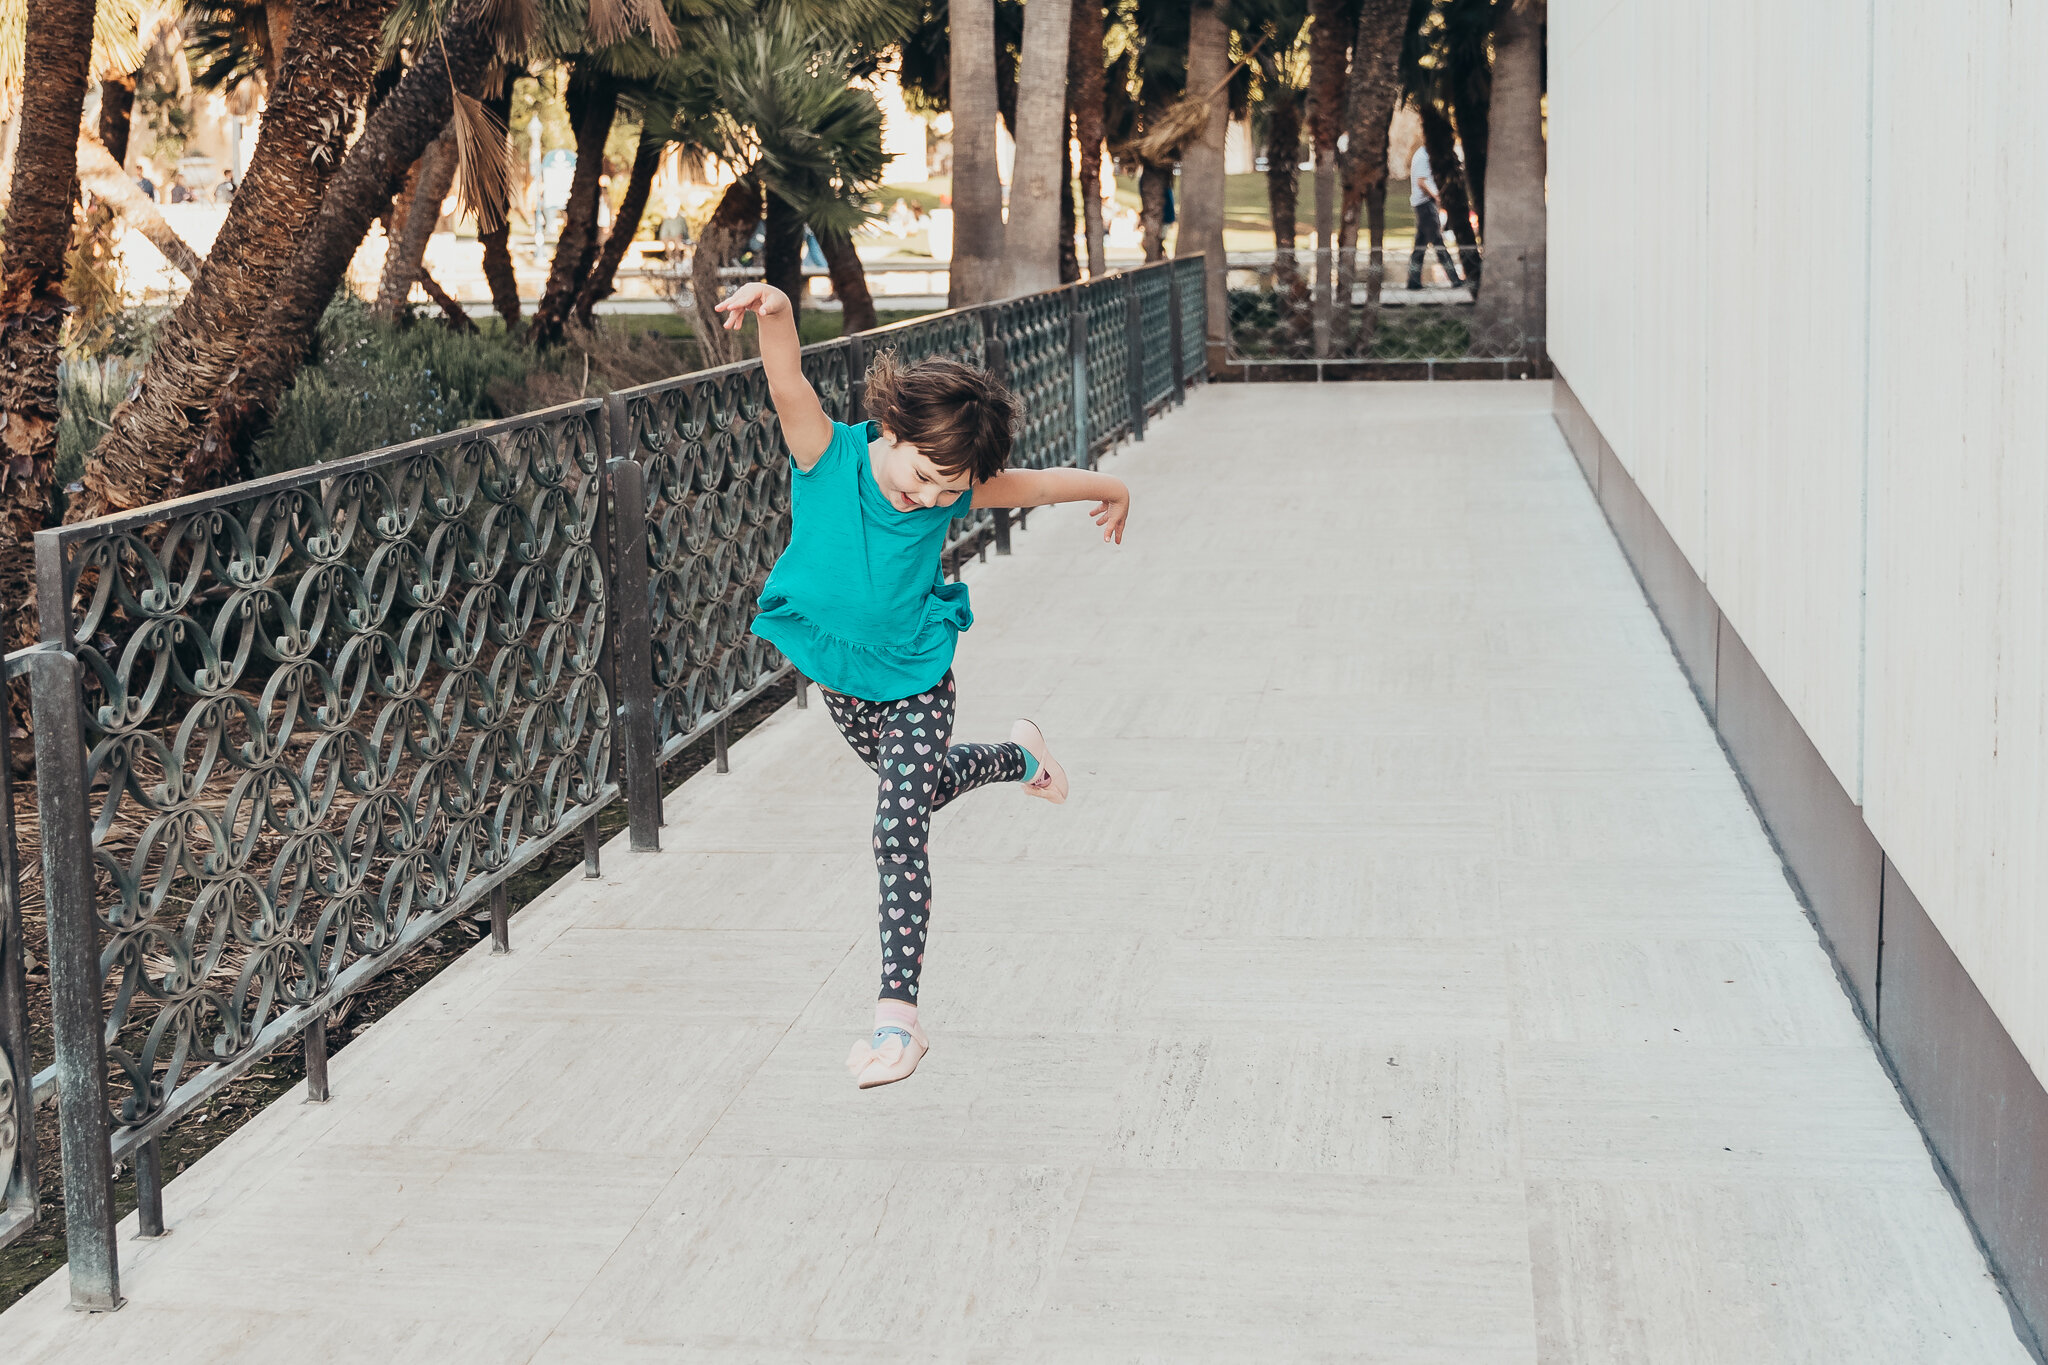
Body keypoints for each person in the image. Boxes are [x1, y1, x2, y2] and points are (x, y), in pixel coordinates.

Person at [713, 279, 1132, 1090]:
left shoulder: (956, 482)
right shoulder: (825, 456)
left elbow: (1042, 484)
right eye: (924, 477)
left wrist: (1112, 488)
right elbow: (786, 381)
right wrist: (776, 314)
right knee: (922, 788)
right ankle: (1019, 757)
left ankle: (897, 1020)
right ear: (894, 426)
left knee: (897, 828)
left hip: (916, 678)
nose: (934, 497)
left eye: (949, 491)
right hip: (842, 678)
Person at [1407, 145, 1464, 291]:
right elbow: (1421, 181)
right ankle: (1454, 279)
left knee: (1420, 245)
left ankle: (1413, 281)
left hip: (1425, 203)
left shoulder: (1426, 155)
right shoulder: (1422, 156)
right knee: (1438, 243)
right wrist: (1437, 196)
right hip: (1425, 204)